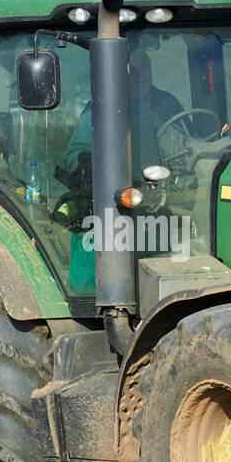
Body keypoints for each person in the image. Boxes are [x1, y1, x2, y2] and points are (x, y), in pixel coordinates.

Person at [61, 48, 184, 294]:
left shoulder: (167, 104)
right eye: (132, 74)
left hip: (164, 200)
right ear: (119, 76)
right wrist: (91, 167)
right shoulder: (101, 108)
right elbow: (74, 156)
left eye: (144, 71)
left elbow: (189, 143)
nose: (141, 78)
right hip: (117, 204)